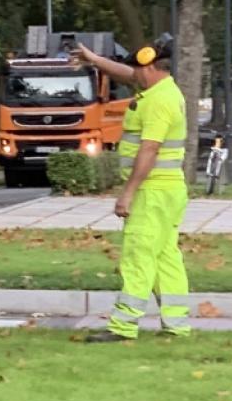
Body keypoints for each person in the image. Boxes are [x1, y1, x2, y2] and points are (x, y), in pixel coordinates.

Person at [73, 37, 192, 341]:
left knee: (138, 256)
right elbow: (127, 74)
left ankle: (123, 326)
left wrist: (127, 192)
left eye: (138, 69)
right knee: (165, 257)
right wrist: (95, 60)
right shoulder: (162, 89)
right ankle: (176, 325)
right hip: (167, 191)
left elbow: (149, 150)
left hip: (151, 193)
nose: (133, 74)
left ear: (150, 67)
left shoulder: (159, 102)